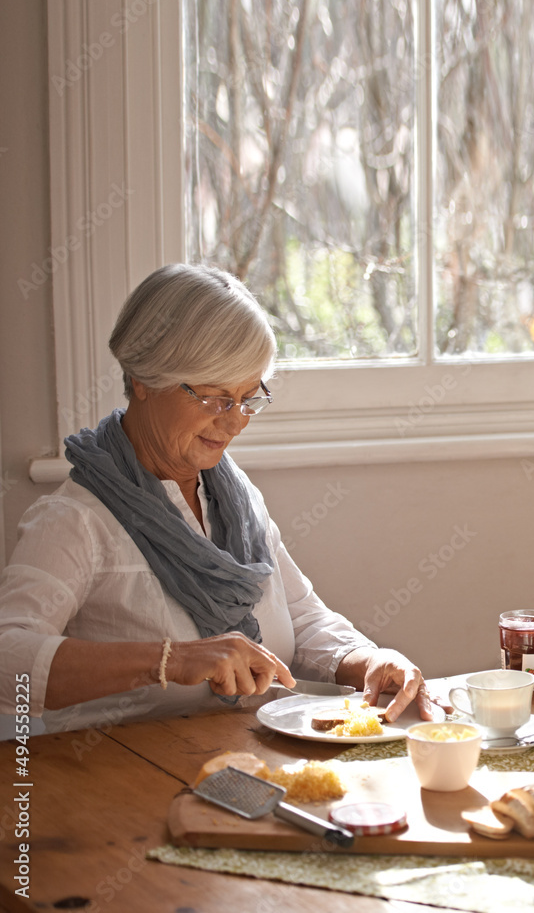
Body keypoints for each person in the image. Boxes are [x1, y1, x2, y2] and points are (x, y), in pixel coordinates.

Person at [0, 264, 444, 734]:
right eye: (213, 398)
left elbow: (299, 615)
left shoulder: (233, 496)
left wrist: (370, 659)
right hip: (116, 781)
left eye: (249, 398)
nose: (235, 423)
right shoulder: (74, 519)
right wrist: (168, 660)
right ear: (144, 379)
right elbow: (8, 658)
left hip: (236, 761)